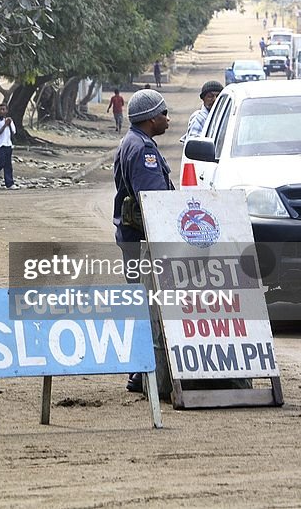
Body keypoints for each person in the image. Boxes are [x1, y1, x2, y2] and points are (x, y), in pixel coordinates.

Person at [112, 89, 174, 394]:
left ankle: (139, 373)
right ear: (151, 119)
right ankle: (141, 371)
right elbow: (155, 204)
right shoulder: (144, 151)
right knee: (148, 304)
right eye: (163, 113)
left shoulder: (134, 142)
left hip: (134, 238)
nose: (167, 119)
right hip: (144, 240)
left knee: (144, 303)